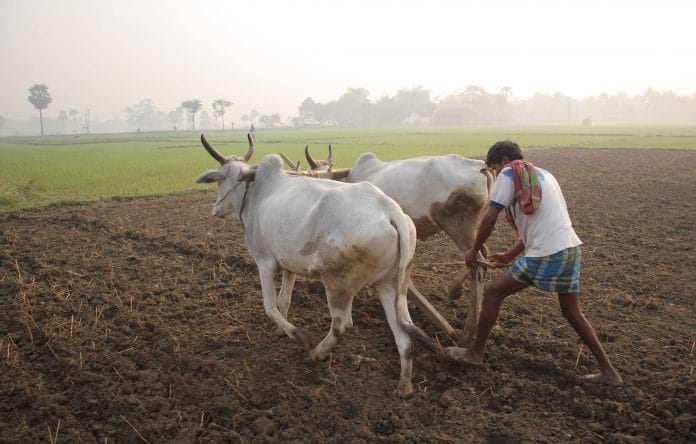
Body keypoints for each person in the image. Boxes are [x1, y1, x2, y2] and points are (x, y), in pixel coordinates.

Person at [445, 140, 622, 385]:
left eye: (494, 168)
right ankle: (609, 372)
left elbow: (490, 216)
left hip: (546, 255)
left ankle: (475, 353)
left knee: (493, 294)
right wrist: (508, 255)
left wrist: (473, 250)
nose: (495, 174)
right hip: (569, 249)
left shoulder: (510, 172)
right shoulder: (544, 176)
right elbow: (540, 225)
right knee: (572, 313)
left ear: (504, 160)